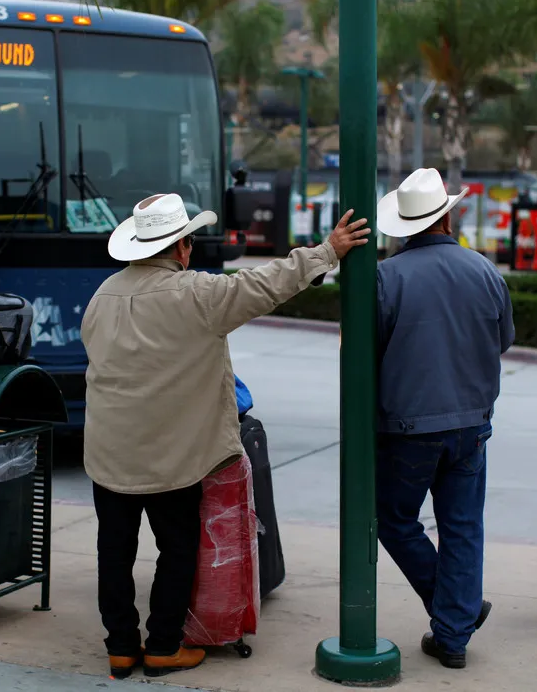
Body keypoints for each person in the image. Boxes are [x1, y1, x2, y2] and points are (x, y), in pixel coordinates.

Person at [81, 192, 369, 679]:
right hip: (173, 460)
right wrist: (326, 252)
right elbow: (265, 284)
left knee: (114, 552)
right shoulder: (198, 294)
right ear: (182, 248)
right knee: (177, 550)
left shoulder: (102, 295)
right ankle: (163, 647)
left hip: (108, 456)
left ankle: (121, 649)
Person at [374, 168, 515, 670]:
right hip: (472, 427)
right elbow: (502, 341)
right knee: (462, 527)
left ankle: (457, 611)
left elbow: (367, 355)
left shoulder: (386, 278)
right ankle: (454, 630)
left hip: (407, 429)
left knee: (391, 520)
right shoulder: (484, 271)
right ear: (448, 215)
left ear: (405, 224)